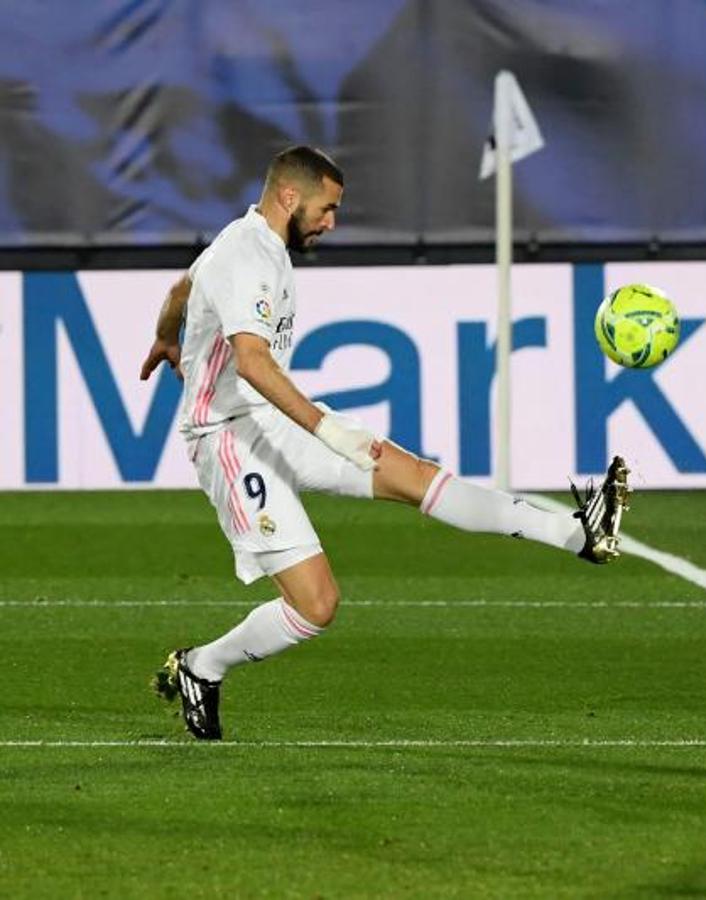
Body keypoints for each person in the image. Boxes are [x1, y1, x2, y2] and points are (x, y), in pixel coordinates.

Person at [140, 145, 629, 741]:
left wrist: (169, 336)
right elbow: (251, 364)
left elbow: (184, 289)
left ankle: (578, 533)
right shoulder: (247, 254)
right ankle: (201, 666)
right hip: (229, 439)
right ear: (290, 197)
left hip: (272, 420)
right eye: (326, 208)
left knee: (415, 475)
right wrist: (329, 430)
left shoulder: (248, 244)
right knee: (316, 605)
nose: (331, 223)